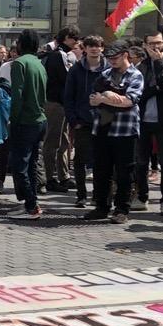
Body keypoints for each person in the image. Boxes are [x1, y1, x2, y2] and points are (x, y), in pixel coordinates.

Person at [82, 43, 145, 224]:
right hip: (102, 128)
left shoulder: (135, 75)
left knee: (125, 172)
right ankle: (101, 206)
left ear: (125, 55)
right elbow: (93, 100)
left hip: (125, 130)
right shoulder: (105, 74)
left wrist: (106, 97)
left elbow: (129, 101)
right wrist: (108, 96)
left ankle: (122, 209)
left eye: (115, 58)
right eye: (109, 58)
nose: (111, 61)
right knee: (101, 170)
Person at [132, 30, 163, 216]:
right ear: (145, 45)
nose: (156, 47)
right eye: (152, 43)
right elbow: (138, 91)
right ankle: (142, 196)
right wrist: (156, 88)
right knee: (141, 161)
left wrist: (159, 63)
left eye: (159, 43)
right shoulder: (140, 65)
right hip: (143, 119)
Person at [63, 35, 109, 208]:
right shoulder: (76, 69)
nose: (94, 49)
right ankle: (81, 195)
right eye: (90, 46)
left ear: (102, 48)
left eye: (97, 46)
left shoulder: (109, 68)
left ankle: (98, 195)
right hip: (83, 121)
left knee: (101, 161)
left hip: (104, 121)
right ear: (85, 49)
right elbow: (68, 97)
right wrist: (74, 120)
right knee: (80, 160)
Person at [6, 30, 47, 219]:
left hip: (25, 121)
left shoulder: (19, 64)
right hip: (40, 119)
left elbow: (18, 96)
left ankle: (31, 205)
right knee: (31, 164)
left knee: (19, 165)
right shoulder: (39, 63)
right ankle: (33, 201)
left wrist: (12, 120)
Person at [41, 25, 79, 193]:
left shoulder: (60, 54)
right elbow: (67, 78)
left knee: (63, 141)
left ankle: (63, 176)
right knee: (53, 141)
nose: (76, 42)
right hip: (55, 102)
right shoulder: (58, 55)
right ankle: (50, 178)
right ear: (66, 38)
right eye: (74, 38)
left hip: (61, 103)